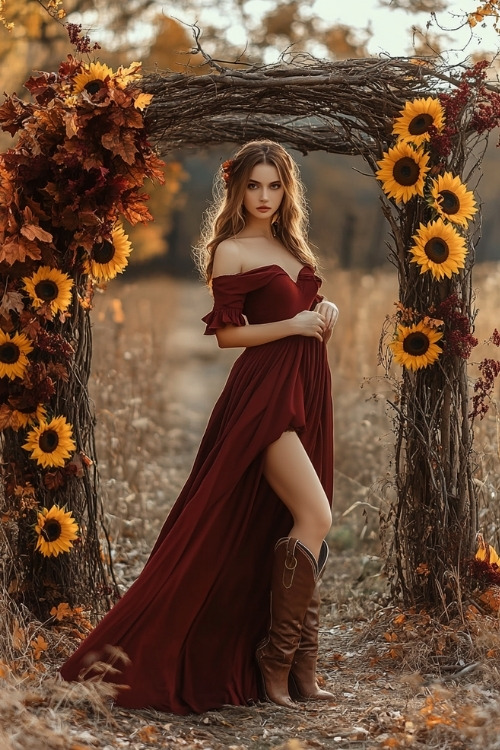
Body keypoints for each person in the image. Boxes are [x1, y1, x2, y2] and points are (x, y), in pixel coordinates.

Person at [60, 139, 339, 714]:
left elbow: (301, 310)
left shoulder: (290, 243)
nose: (264, 196)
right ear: (237, 189)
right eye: (254, 185)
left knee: (294, 520)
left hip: (306, 383)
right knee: (316, 516)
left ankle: (303, 670)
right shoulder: (230, 251)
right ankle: (277, 663)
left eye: (275, 185)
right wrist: (294, 324)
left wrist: (324, 313)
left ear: (288, 190)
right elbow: (230, 335)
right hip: (263, 393)